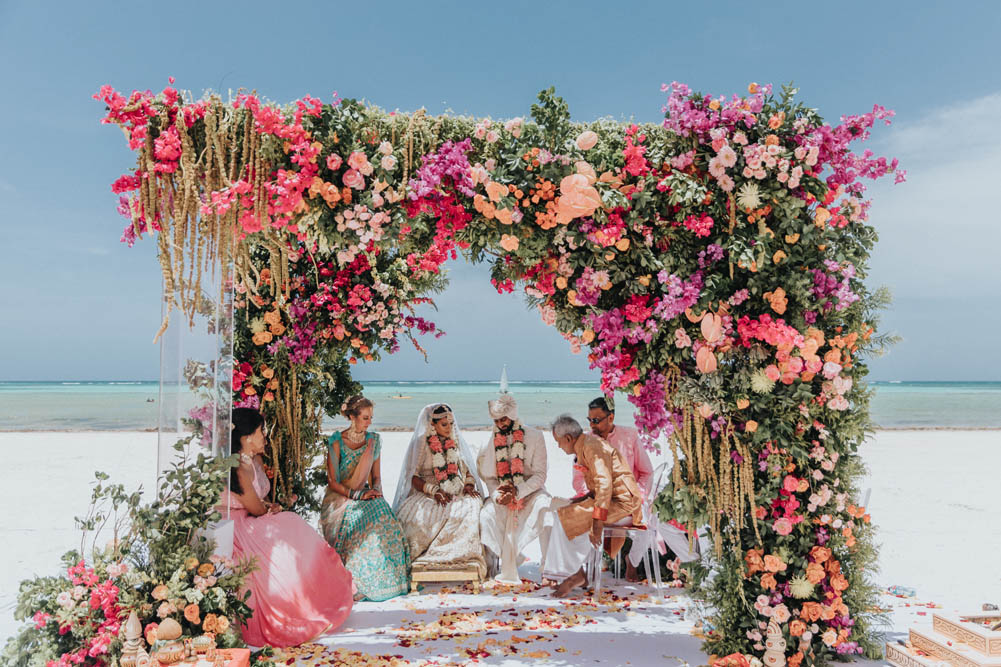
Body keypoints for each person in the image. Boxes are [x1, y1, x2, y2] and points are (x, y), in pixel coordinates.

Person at [218, 408, 354, 647]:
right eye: (261, 432)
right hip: (237, 524)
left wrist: (271, 507)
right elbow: (255, 508)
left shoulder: (254, 460)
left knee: (291, 524)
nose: (264, 437)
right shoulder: (240, 466)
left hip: (251, 517)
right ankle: (299, 602)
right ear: (247, 437)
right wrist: (271, 510)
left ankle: (312, 593)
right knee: (289, 526)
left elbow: (259, 503)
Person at [319, 395, 410, 601]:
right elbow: (332, 481)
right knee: (364, 519)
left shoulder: (373, 441)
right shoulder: (336, 441)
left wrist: (376, 493)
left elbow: (376, 477)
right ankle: (358, 581)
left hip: (365, 495)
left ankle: (389, 580)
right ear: (352, 417)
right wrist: (357, 495)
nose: (369, 422)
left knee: (384, 516)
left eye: (371, 418)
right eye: (365, 418)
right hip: (339, 499)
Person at [542, 414, 642, 598]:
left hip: (623, 503)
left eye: (559, 442)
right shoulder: (587, 444)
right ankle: (575, 573)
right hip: (610, 499)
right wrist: (584, 499)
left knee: (564, 517)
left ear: (569, 439)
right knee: (561, 514)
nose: (558, 446)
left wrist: (597, 519)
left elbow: (605, 483)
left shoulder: (591, 447)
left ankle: (576, 575)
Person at [393, 404, 487, 578]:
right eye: (444, 424)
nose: (449, 428)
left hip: (455, 489)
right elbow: (412, 477)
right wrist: (433, 490)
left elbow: (468, 472)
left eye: (451, 423)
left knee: (472, 508)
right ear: (432, 424)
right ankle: (427, 557)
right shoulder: (421, 442)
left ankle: (463, 558)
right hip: (427, 491)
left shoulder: (455, 441)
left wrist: (468, 485)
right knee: (425, 515)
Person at [574, 396, 654, 581]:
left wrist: (638, 495)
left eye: (596, 420)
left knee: (650, 517)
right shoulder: (585, 442)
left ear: (610, 418)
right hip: (597, 502)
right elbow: (578, 478)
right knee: (569, 517)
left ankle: (632, 562)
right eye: (589, 420)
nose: (592, 425)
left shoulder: (630, 436)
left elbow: (646, 472)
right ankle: (584, 570)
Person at [477, 394, 550, 583]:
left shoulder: (535, 436)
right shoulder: (489, 443)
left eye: (504, 419)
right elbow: (490, 478)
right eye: (496, 420)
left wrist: (518, 492)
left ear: (513, 416)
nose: (500, 424)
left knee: (545, 509)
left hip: (531, 492)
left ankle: (548, 568)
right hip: (503, 495)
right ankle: (492, 565)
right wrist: (497, 495)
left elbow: (540, 475)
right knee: (486, 517)